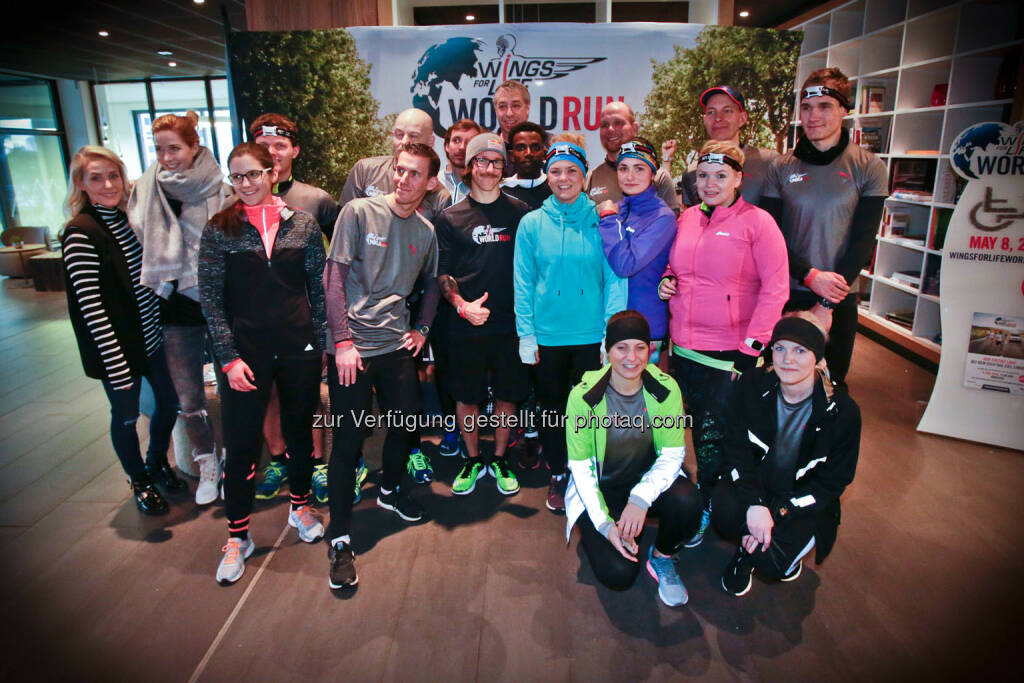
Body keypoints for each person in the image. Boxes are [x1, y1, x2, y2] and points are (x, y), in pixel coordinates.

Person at [198, 142, 328, 584]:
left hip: (299, 350)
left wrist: (324, 344)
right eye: (237, 177)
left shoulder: (305, 224)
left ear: (272, 172)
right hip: (244, 357)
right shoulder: (219, 229)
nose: (246, 184)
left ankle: (300, 507)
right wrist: (228, 359)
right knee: (240, 446)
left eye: (253, 174)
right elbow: (212, 303)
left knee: (299, 436)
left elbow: (320, 290)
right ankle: (238, 536)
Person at [658, 140, 789, 547]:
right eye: (702, 176)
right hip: (684, 347)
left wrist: (753, 346)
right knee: (696, 430)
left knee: (721, 439)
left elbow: (776, 288)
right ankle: (701, 501)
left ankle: (715, 506)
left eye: (720, 176)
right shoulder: (686, 220)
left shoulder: (757, 223)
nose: (710, 184)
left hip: (728, 353)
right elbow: (675, 266)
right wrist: (667, 280)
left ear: (737, 178)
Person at [323, 143, 442, 590]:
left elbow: (432, 283)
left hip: (396, 346)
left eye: (415, 174)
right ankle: (339, 537)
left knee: (405, 425)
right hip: (352, 349)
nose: (404, 179)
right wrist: (342, 342)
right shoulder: (357, 212)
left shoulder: (427, 231)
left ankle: (390, 491)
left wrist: (424, 328)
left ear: (431, 182)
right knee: (348, 441)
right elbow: (333, 279)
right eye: (400, 170)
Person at [61, 146, 178, 516]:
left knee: (169, 404)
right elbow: (90, 307)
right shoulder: (80, 232)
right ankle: (139, 479)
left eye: (113, 175)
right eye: (96, 178)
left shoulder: (128, 219)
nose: (108, 184)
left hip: (149, 338)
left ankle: (157, 461)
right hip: (117, 349)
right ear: (81, 183)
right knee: (125, 416)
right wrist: (116, 364)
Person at [514, 134, 627, 513]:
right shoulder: (530, 224)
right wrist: (526, 333)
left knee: (589, 410)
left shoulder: (602, 220)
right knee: (551, 408)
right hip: (546, 337)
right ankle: (559, 472)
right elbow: (523, 281)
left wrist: (611, 334)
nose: (564, 178)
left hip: (591, 336)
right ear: (548, 175)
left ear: (583, 175)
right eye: (556, 171)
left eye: (572, 171)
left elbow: (615, 279)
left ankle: (587, 473)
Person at [712, 313, 861, 596]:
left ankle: (765, 546)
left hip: (800, 497)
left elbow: (835, 481)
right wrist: (755, 504)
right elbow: (734, 448)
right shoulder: (752, 384)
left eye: (800, 350)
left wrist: (781, 511)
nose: (787, 359)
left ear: (818, 358)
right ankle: (748, 546)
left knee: (772, 565)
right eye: (779, 348)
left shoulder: (842, 411)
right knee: (723, 508)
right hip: (757, 483)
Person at [564, 311, 702, 606]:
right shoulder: (583, 397)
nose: (632, 357)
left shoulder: (666, 389)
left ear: (650, 350)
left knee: (688, 499)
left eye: (639, 347)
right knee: (618, 574)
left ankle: (662, 556)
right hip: (603, 490)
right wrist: (604, 525)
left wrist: (640, 498)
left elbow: (672, 454)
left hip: (647, 484)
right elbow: (581, 467)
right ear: (607, 352)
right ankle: (602, 533)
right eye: (621, 348)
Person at [760, 68, 888, 384]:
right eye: (806, 107)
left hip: (839, 297)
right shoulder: (780, 167)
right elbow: (769, 237)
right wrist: (809, 275)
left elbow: (862, 241)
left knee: (832, 384)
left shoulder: (869, 167)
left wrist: (827, 301)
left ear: (844, 109)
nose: (813, 115)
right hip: (785, 292)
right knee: (776, 381)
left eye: (825, 106)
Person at [127, 111, 227, 506]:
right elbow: (138, 231)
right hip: (173, 305)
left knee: (235, 388)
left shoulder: (219, 185)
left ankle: (235, 458)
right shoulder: (147, 187)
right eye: (159, 149)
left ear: (194, 147)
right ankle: (207, 463)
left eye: (175, 148)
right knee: (188, 398)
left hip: (218, 298)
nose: (167, 157)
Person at [435, 133, 531, 496]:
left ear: (503, 167)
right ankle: (474, 459)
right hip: (465, 325)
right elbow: (442, 273)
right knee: (467, 396)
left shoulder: (521, 213)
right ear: (469, 166)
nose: (488, 169)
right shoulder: (449, 218)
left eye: (495, 162)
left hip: (511, 324)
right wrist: (461, 305)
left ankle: (501, 457)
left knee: (508, 394)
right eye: (481, 161)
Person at [251, 112, 339, 504]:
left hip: (302, 318)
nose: (272, 153)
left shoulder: (316, 199)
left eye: (280, 146)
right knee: (268, 392)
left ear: (294, 150)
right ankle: (277, 459)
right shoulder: (234, 200)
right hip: (255, 321)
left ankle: (316, 462)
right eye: (264, 147)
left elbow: (341, 259)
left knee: (306, 395)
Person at [595, 137, 676, 364]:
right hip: (612, 322)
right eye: (623, 168)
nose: (630, 177)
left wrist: (609, 220)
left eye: (639, 168)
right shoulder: (617, 209)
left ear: (653, 173)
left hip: (645, 327)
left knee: (641, 398)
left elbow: (625, 265)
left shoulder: (662, 217)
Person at [339, 107, 451, 221]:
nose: (404, 141)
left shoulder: (440, 197)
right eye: (399, 134)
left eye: (413, 136)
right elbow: (346, 221)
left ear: (431, 141)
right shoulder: (365, 170)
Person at [676, 85, 779, 207]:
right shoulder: (691, 172)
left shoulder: (768, 162)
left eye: (727, 110)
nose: (718, 118)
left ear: (742, 118)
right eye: (711, 112)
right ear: (704, 120)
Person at [585, 101, 680, 216]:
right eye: (604, 125)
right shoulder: (590, 178)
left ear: (635, 128)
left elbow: (670, 225)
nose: (610, 129)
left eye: (618, 123)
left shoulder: (659, 176)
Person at [501, 121, 552, 210]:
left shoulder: (556, 187)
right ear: (511, 156)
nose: (528, 153)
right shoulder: (500, 190)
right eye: (521, 148)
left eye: (535, 147)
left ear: (544, 154)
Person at [494, 79, 531, 175]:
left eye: (515, 105)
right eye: (502, 106)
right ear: (495, 110)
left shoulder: (546, 144)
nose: (509, 113)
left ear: (527, 108)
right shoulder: (485, 149)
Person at [441, 118, 482, 205]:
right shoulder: (434, 181)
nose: (462, 147)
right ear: (447, 146)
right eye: (456, 140)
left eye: (470, 142)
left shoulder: (485, 186)